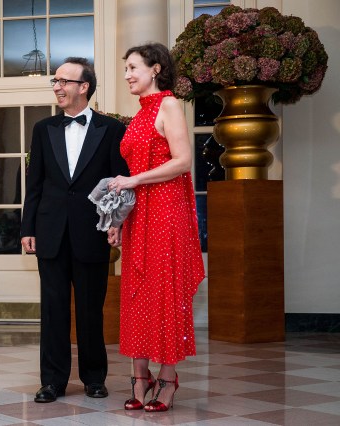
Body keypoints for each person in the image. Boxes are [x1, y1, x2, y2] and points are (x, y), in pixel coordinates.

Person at [21, 57, 129, 403]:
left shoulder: (111, 130)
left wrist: (115, 226)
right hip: (49, 231)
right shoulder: (43, 129)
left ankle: (94, 378)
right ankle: (52, 381)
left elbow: (118, 185)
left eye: (64, 81)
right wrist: (28, 227)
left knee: (90, 310)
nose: (57, 86)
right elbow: (33, 184)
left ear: (84, 87)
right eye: (55, 81)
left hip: (92, 232)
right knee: (52, 310)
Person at [107, 43, 205, 412]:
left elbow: (182, 162)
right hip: (139, 214)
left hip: (166, 212)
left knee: (163, 294)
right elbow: (131, 178)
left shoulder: (169, 106)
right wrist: (117, 220)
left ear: (157, 69)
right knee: (136, 292)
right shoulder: (137, 116)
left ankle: (167, 378)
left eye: (134, 67)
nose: (129, 74)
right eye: (127, 69)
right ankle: (139, 376)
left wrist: (134, 181)